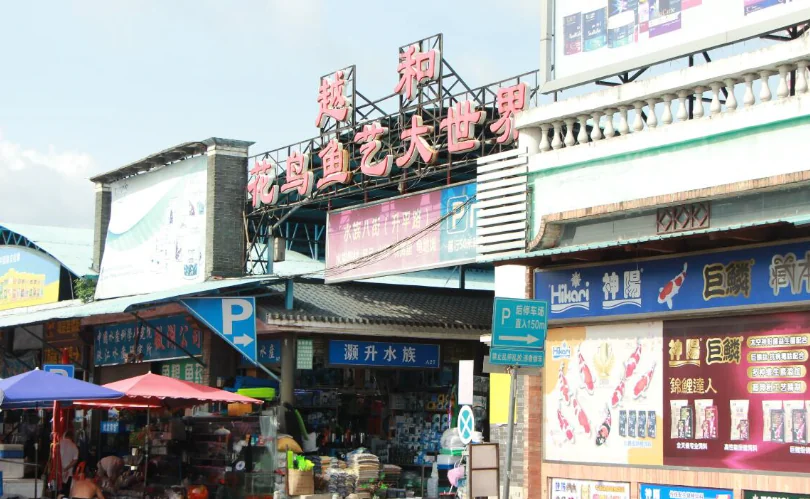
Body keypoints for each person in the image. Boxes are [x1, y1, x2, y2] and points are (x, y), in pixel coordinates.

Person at [60, 429, 80, 497]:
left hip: (57, 471)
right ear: (72, 437)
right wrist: (67, 468)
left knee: (57, 490)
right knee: (66, 491)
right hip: (68, 473)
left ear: (64, 435)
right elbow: (75, 460)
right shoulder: (74, 446)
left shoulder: (58, 443)